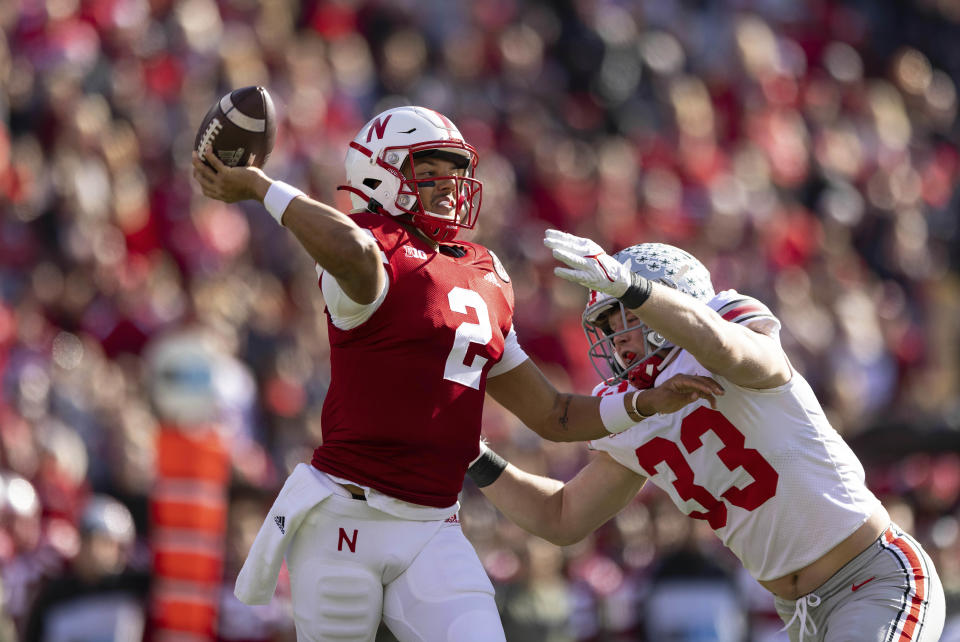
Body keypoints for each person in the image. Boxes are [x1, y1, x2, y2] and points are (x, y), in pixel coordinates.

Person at [191, 106, 721, 641]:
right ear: (381, 171)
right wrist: (263, 188)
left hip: (434, 523)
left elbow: (554, 414)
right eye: (431, 167)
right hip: (345, 516)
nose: (451, 183)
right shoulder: (367, 250)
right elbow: (353, 250)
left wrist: (645, 404)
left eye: (456, 167)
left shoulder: (483, 271)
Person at [471, 229, 946, 642]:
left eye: (625, 316)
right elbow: (561, 516)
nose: (616, 338)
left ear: (670, 297)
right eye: (607, 326)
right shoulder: (638, 407)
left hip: (874, 577)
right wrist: (470, 451)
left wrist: (631, 287)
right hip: (798, 612)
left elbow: (722, 347)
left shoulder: (733, 328)